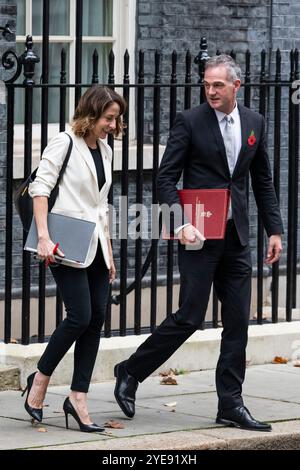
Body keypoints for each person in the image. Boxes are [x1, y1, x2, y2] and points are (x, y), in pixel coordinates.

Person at [114, 55, 283, 432]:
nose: (210, 91)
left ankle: (230, 404)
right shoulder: (189, 121)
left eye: (218, 85)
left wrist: (275, 230)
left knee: (238, 320)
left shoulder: (254, 122)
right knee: (190, 316)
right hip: (198, 235)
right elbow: (165, 178)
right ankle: (130, 371)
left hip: (237, 236)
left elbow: (263, 181)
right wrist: (182, 223)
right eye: (206, 84)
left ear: (236, 86)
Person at [23, 86, 126, 432]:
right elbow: (40, 188)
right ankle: (40, 378)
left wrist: (109, 253)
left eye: (116, 119)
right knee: (79, 315)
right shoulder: (64, 142)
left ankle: (78, 397)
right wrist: (43, 237)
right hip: (63, 244)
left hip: (95, 245)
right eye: (108, 118)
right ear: (91, 114)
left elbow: (100, 206)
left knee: (96, 317)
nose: (113, 124)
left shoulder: (106, 152)